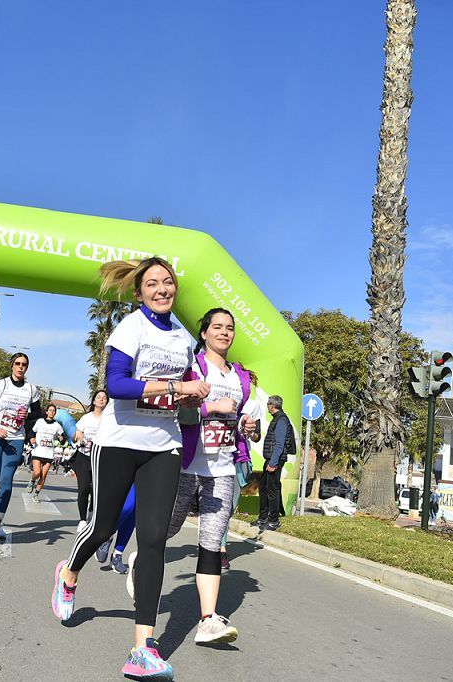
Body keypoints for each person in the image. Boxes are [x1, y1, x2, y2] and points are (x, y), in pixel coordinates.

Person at [50, 256, 210, 681]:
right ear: (139, 292)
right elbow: (117, 386)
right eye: (153, 284)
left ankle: (142, 649)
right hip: (119, 443)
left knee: (154, 539)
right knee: (102, 528)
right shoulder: (130, 327)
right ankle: (68, 574)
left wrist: (192, 397)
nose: (162, 289)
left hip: (164, 445)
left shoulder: (183, 336)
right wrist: (176, 387)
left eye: (168, 282)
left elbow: (186, 387)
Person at [164, 307, 262, 644]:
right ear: (204, 333)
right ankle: (141, 560)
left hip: (222, 469)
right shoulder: (192, 369)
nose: (224, 332)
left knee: (211, 544)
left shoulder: (242, 379)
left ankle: (208, 620)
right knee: (170, 527)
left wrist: (248, 427)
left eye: (229, 328)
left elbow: (252, 427)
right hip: (186, 464)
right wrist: (211, 408)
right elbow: (175, 409)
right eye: (217, 327)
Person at [0, 352, 42, 539]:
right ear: (12, 366)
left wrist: (26, 416)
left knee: (6, 481)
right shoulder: (2, 384)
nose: (21, 367)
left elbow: (38, 413)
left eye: (24, 364)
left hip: (16, 438)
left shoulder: (31, 389)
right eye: (18, 364)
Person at [257, 395, 295, 531]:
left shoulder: (281, 421)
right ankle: (262, 518)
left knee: (272, 491)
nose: (267, 406)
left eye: (268, 404)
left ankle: (273, 520)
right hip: (270, 458)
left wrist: (273, 464)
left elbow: (279, 445)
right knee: (263, 488)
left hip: (275, 460)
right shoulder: (276, 419)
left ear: (272, 406)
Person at [73, 389, 108, 532]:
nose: (101, 399)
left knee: (96, 490)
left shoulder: (109, 419)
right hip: (83, 457)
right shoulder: (86, 418)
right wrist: (78, 434)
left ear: (107, 402)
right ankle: (82, 520)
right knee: (83, 489)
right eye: (98, 397)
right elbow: (74, 437)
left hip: (100, 458)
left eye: (104, 398)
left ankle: (92, 513)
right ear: (93, 401)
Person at [28, 404, 64, 502]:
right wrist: (31, 438)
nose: (52, 412)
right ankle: (32, 481)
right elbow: (31, 432)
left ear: (55, 413)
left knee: (43, 476)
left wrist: (61, 438)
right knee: (37, 472)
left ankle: (36, 494)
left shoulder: (57, 426)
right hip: (38, 451)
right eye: (50, 410)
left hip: (48, 454)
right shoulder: (40, 422)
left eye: (53, 411)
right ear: (47, 412)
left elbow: (63, 438)